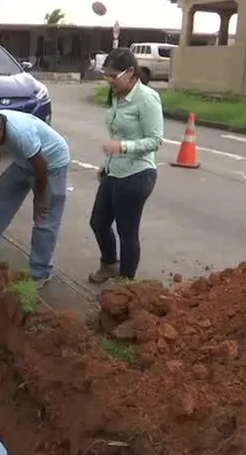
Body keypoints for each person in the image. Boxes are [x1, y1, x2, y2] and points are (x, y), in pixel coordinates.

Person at [0, 110, 70, 288]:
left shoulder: (22, 133)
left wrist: (39, 200)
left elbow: (41, 166)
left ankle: (40, 271)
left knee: (44, 217)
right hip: (24, 162)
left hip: (52, 165)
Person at [88, 48, 163, 284]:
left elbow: (155, 140)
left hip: (137, 174)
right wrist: (106, 164)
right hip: (114, 171)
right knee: (98, 222)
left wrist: (123, 147)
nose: (109, 81)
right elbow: (116, 132)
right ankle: (109, 264)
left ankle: (126, 285)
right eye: (106, 75)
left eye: (113, 76)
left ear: (130, 72)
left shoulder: (147, 98)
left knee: (127, 232)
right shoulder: (117, 95)